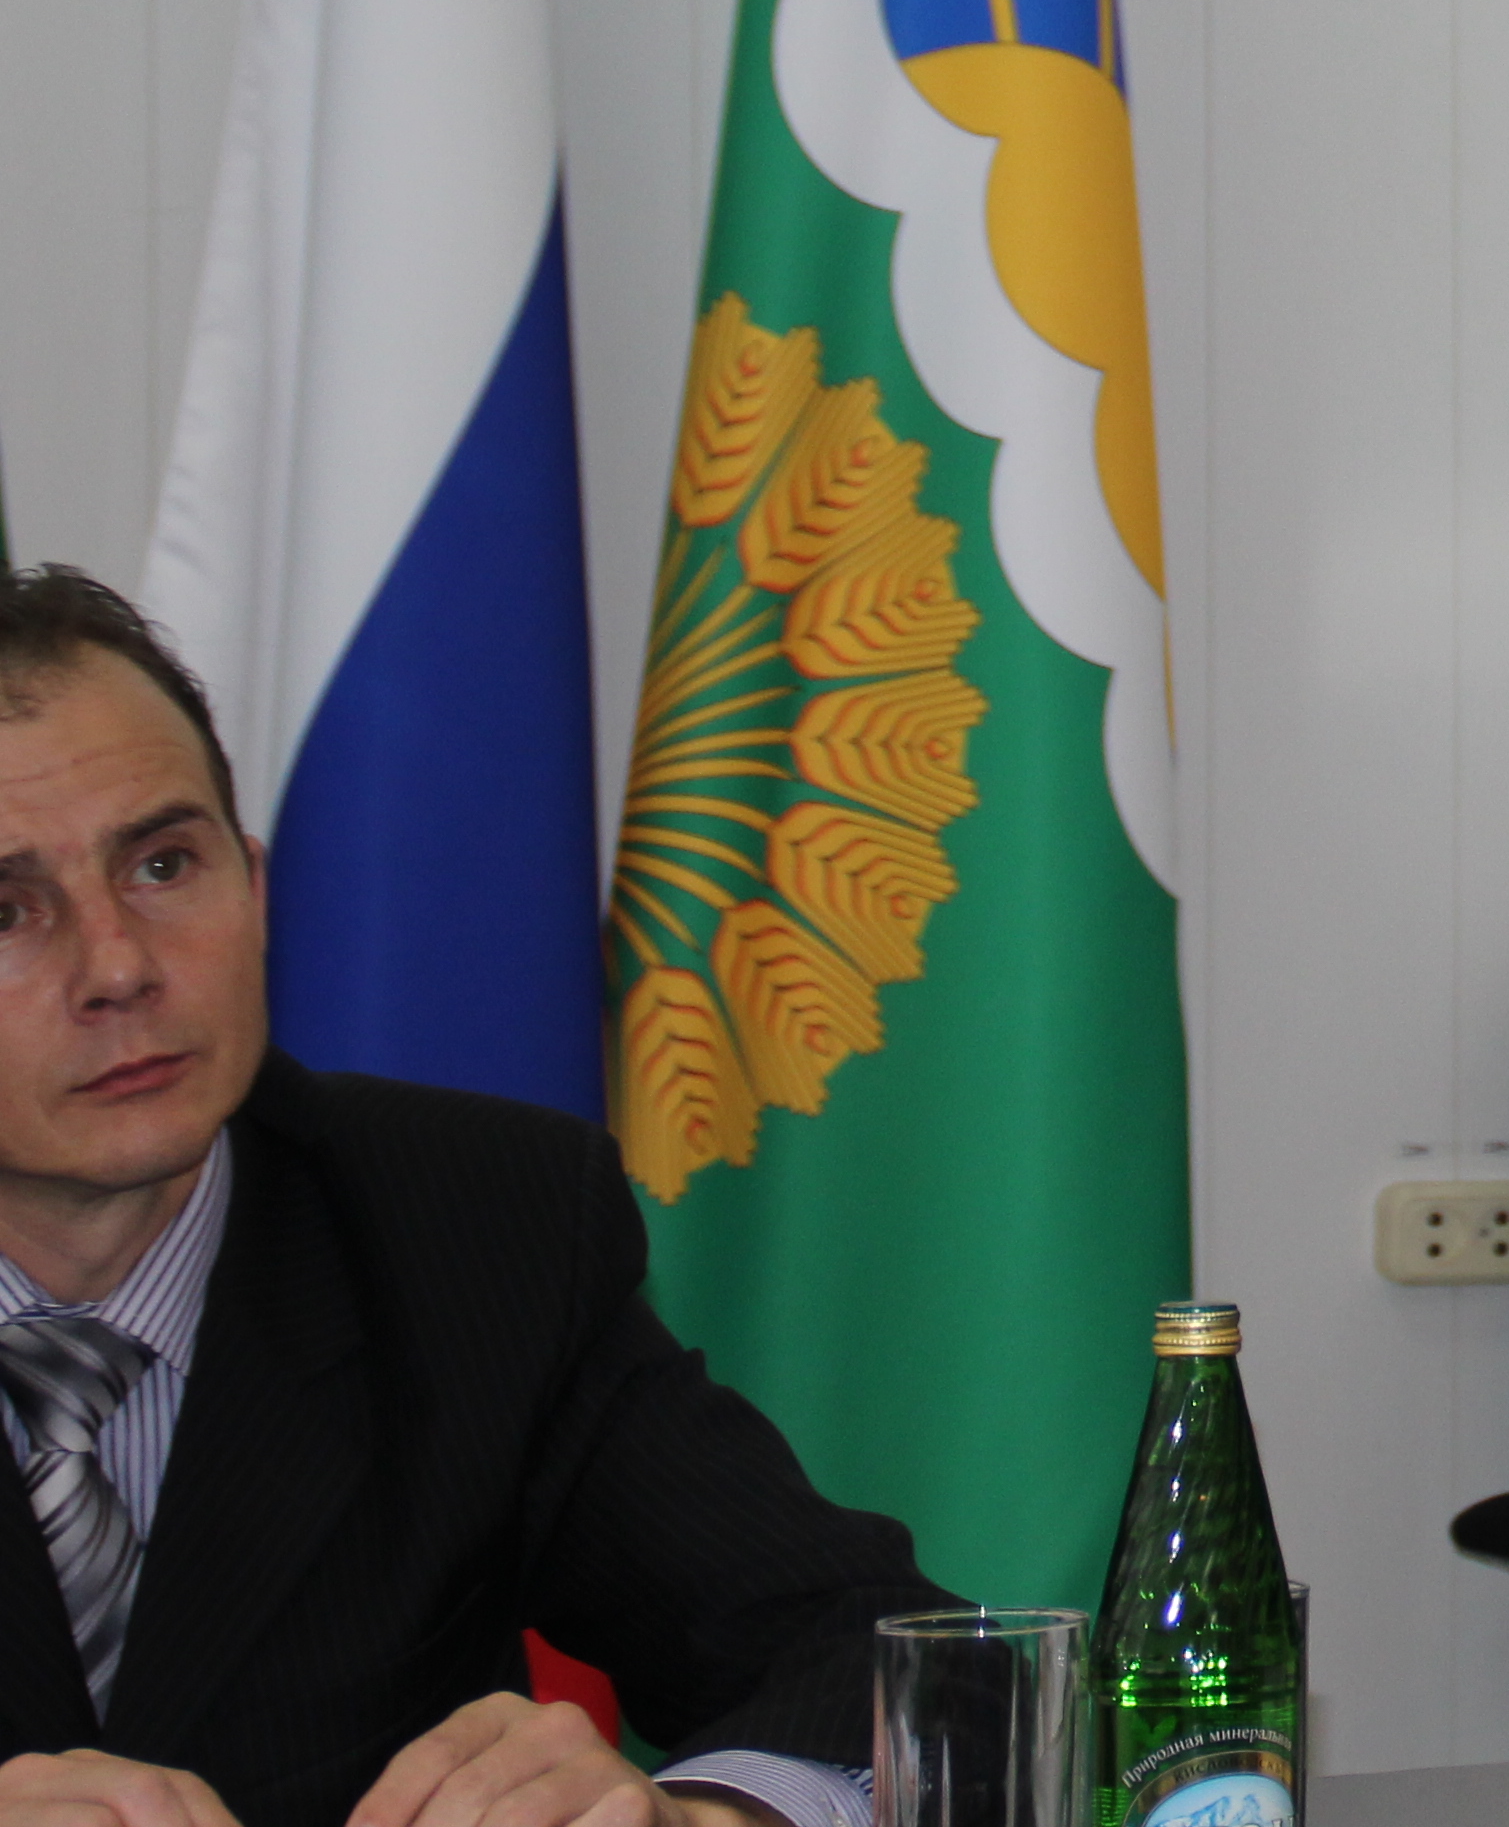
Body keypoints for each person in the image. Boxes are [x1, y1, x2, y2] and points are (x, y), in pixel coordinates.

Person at [0, 566, 938, 1827]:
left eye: (164, 865)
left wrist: (698, 1819)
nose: (119, 965)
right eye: (6, 911)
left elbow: (882, 1655)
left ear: (256, 886)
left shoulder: (471, 1226)